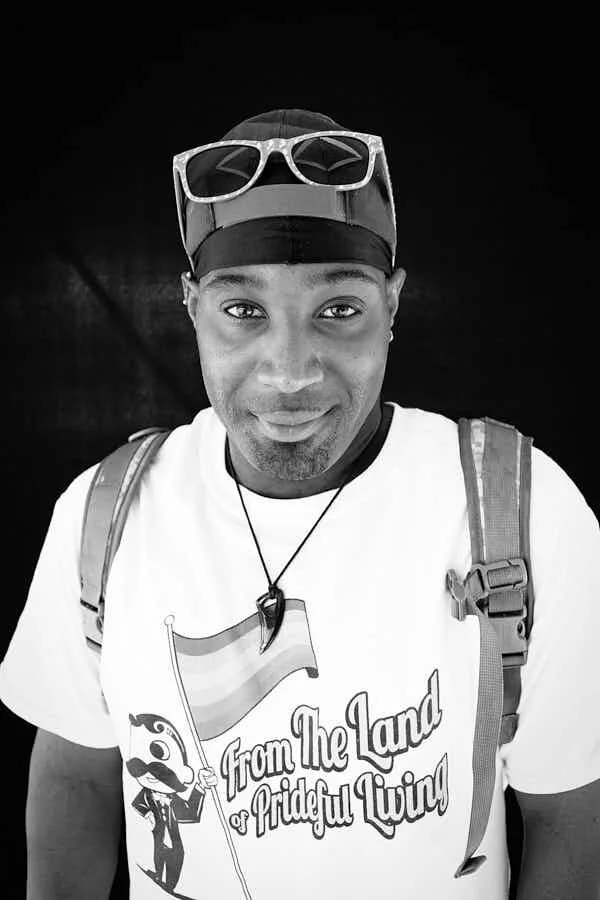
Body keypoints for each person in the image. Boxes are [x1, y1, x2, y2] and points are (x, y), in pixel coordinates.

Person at [1, 108, 599, 900]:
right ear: (191, 306)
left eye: (339, 310)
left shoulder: (515, 507)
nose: (288, 371)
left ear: (392, 305)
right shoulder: (104, 513)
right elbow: (76, 774)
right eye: (243, 311)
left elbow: (572, 817)